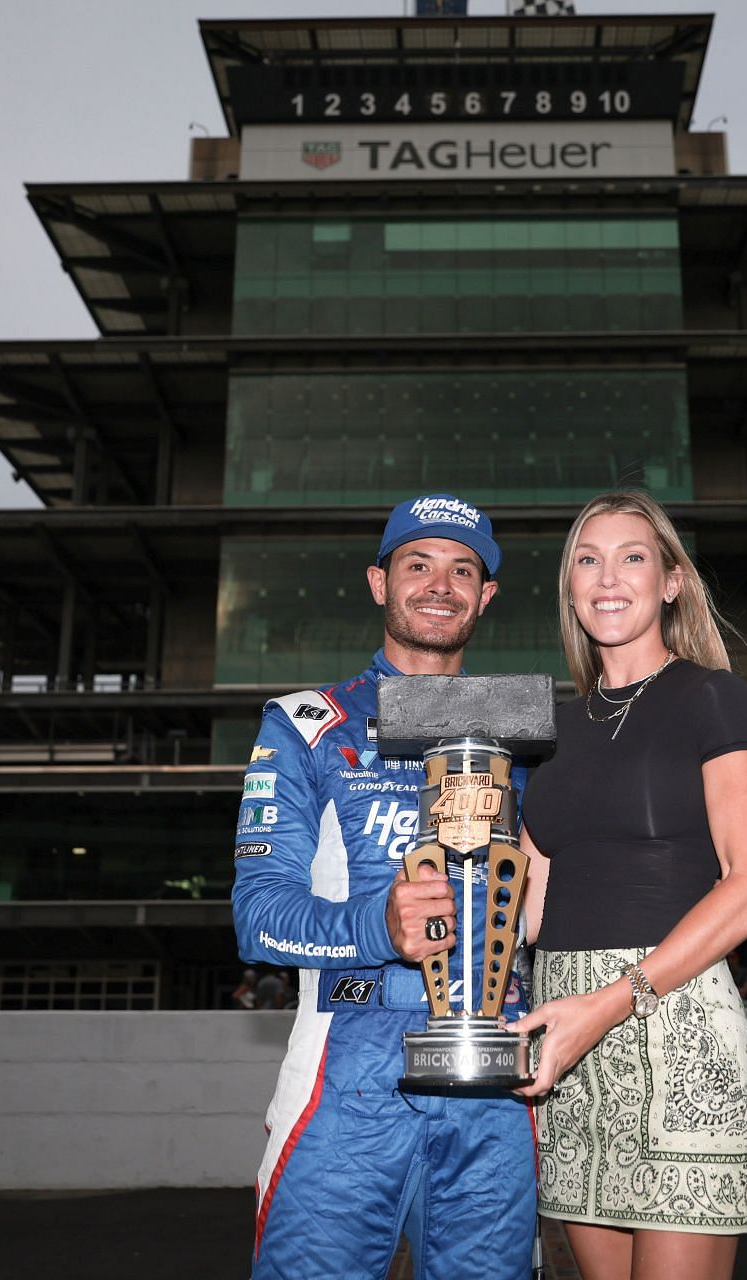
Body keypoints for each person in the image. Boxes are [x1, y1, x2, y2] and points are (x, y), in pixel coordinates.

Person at [230, 493, 535, 1280]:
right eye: (419, 565)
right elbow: (257, 918)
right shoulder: (307, 723)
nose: (441, 584)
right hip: (347, 1067)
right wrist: (378, 924)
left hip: (500, 1080)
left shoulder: (524, 735)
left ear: (486, 595)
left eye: (463, 569)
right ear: (379, 582)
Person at [512, 490, 747, 1280]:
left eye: (632, 556)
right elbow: (523, 908)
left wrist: (610, 1002)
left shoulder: (709, 696)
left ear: (671, 582)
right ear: (570, 589)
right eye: (587, 560)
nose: (607, 576)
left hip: (675, 1024)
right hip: (565, 1040)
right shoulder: (551, 730)